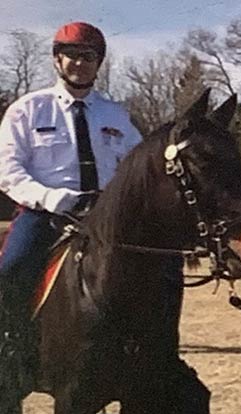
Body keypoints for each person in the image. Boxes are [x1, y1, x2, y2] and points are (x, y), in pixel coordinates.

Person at [0, 22, 144, 337]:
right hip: (45, 213)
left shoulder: (116, 114)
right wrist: (49, 197)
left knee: (159, 269)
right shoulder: (27, 110)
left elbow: (138, 165)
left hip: (106, 214)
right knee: (10, 268)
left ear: (98, 63)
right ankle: (11, 345)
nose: (80, 63)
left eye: (88, 56)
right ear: (57, 60)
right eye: (71, 55)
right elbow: (7, 170)